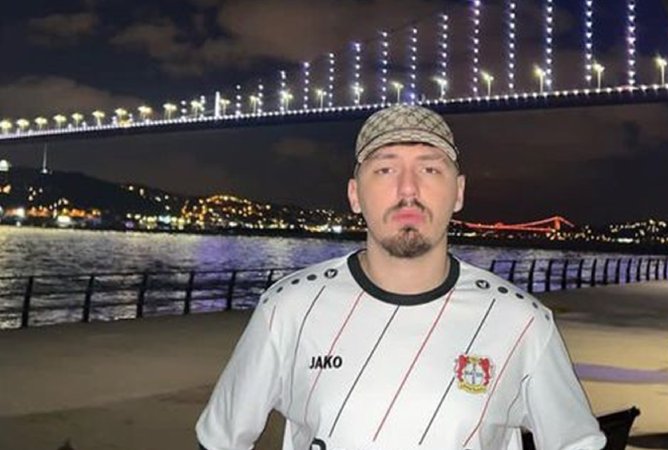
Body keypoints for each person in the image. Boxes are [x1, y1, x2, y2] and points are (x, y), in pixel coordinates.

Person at [196, 105, 606, 450]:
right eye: (385, 169)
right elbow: (219, 441)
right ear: (354, 195)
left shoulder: (522, 322)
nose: (408, 188)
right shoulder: (287, 309)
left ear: (459, 192)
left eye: (430, 169)